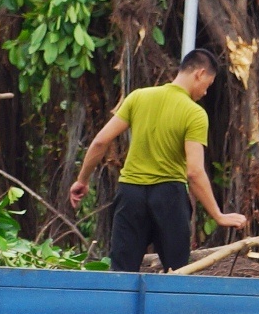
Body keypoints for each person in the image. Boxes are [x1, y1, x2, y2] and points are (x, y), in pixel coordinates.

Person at [67, 48, 247, 272]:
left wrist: (82, 180)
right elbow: (194, 172)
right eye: (207, 85)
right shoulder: (194, 113)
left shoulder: (138, 97)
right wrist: (218, 215)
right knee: (176, 274)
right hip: (169, 198)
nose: (205, 92)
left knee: (122, 274)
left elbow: (100, 143)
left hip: (130, 195)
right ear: (199, 74)